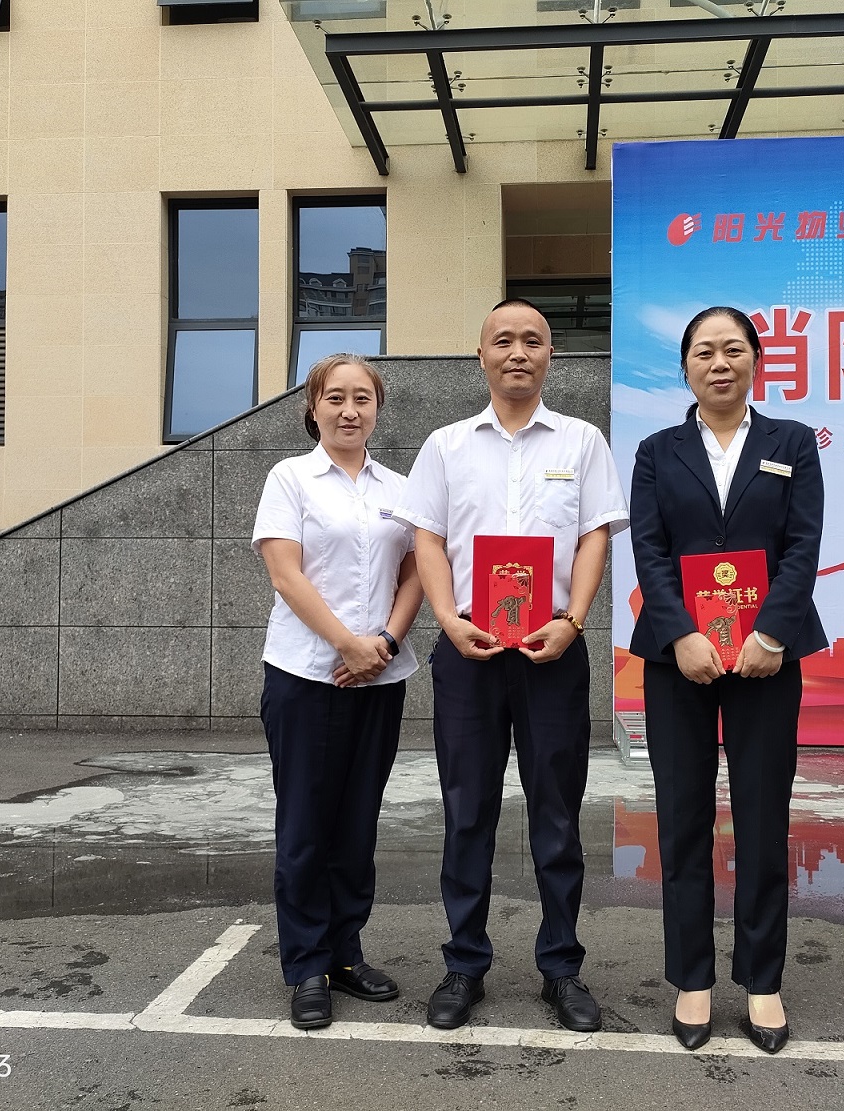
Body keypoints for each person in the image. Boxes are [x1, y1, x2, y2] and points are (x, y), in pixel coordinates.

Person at [393, 299, 629, 1033]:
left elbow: (595, 537)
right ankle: (464, 962)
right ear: (481, 355)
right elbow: (427, 540)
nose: (517, 351)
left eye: (533, 340)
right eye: (503, 340)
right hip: (469, 650)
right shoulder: (445, 446)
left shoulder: (583, 441)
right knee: (468, 811)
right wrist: (448, 620)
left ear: (551, 355)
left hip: (552, 650)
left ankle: (561, 966)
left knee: (557, 814)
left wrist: (572, 621)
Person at [628, 306, 826, 1054]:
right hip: (678, 658)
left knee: (762, 816)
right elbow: (650, 548)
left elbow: (802, 543)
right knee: (682, 818)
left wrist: (770, 634)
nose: (720, 363)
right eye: (705, 351)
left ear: (755, 361)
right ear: (685, 367)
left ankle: (763, 979)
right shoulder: (657, 451)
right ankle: (692, 977)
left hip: (767, 657)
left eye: (733, 350)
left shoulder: (791, 443)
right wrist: (680, 633)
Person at [252, 354, 424, 1030]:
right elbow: (286, 574)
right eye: (336, 398)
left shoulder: (400, 488)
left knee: (356, 824)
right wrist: (346, 644)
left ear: (377, 409)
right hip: (304, 676)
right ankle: (305, 966)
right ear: (313, 407)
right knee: (305, 826)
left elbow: (416, 572)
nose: (350, 410)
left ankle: (346, 953)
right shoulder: (290, 478)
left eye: (363, 398)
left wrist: (382, 643)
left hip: (379, 678)